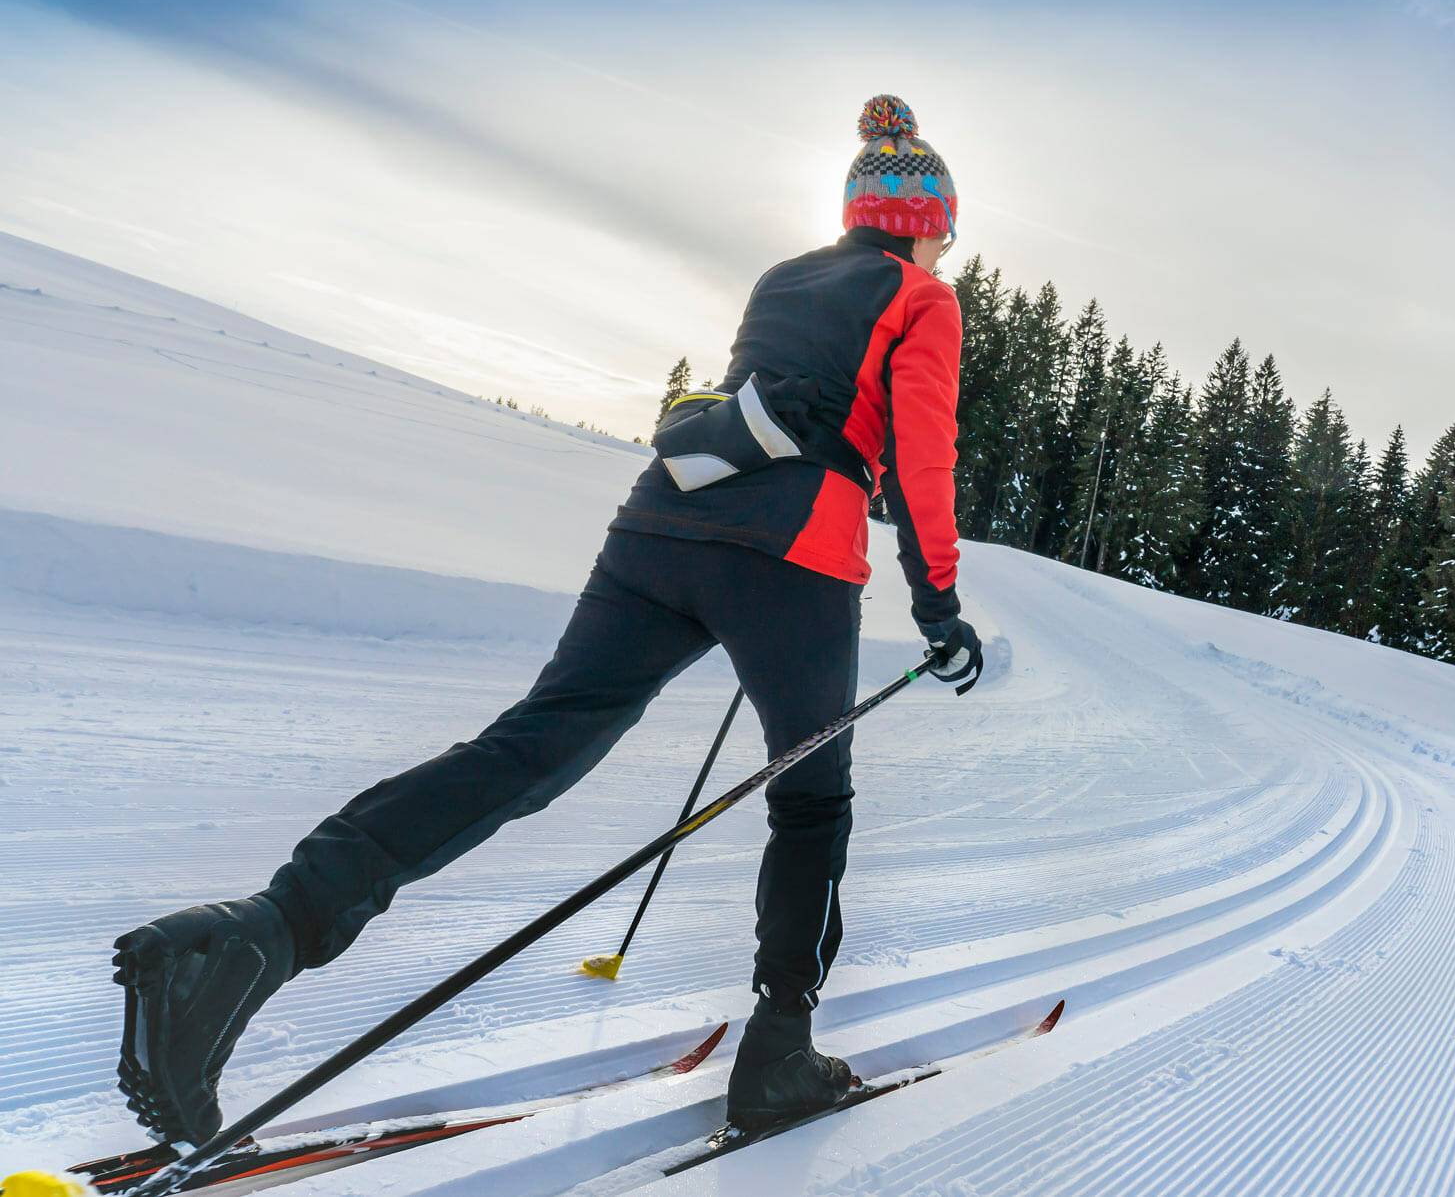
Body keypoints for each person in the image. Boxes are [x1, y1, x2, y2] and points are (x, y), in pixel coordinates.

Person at [111, 94, 983, 1142]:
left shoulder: (783, 277)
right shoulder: (924, 300)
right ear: (926, 220)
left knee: (527, 749)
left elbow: (785, 396)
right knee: (810, 800)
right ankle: (780, 1053)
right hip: (791, 559)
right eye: (945, 229)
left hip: (662, 524)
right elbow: (923, 459)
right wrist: (939, 605)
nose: (943, 247)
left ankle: (256, 933)